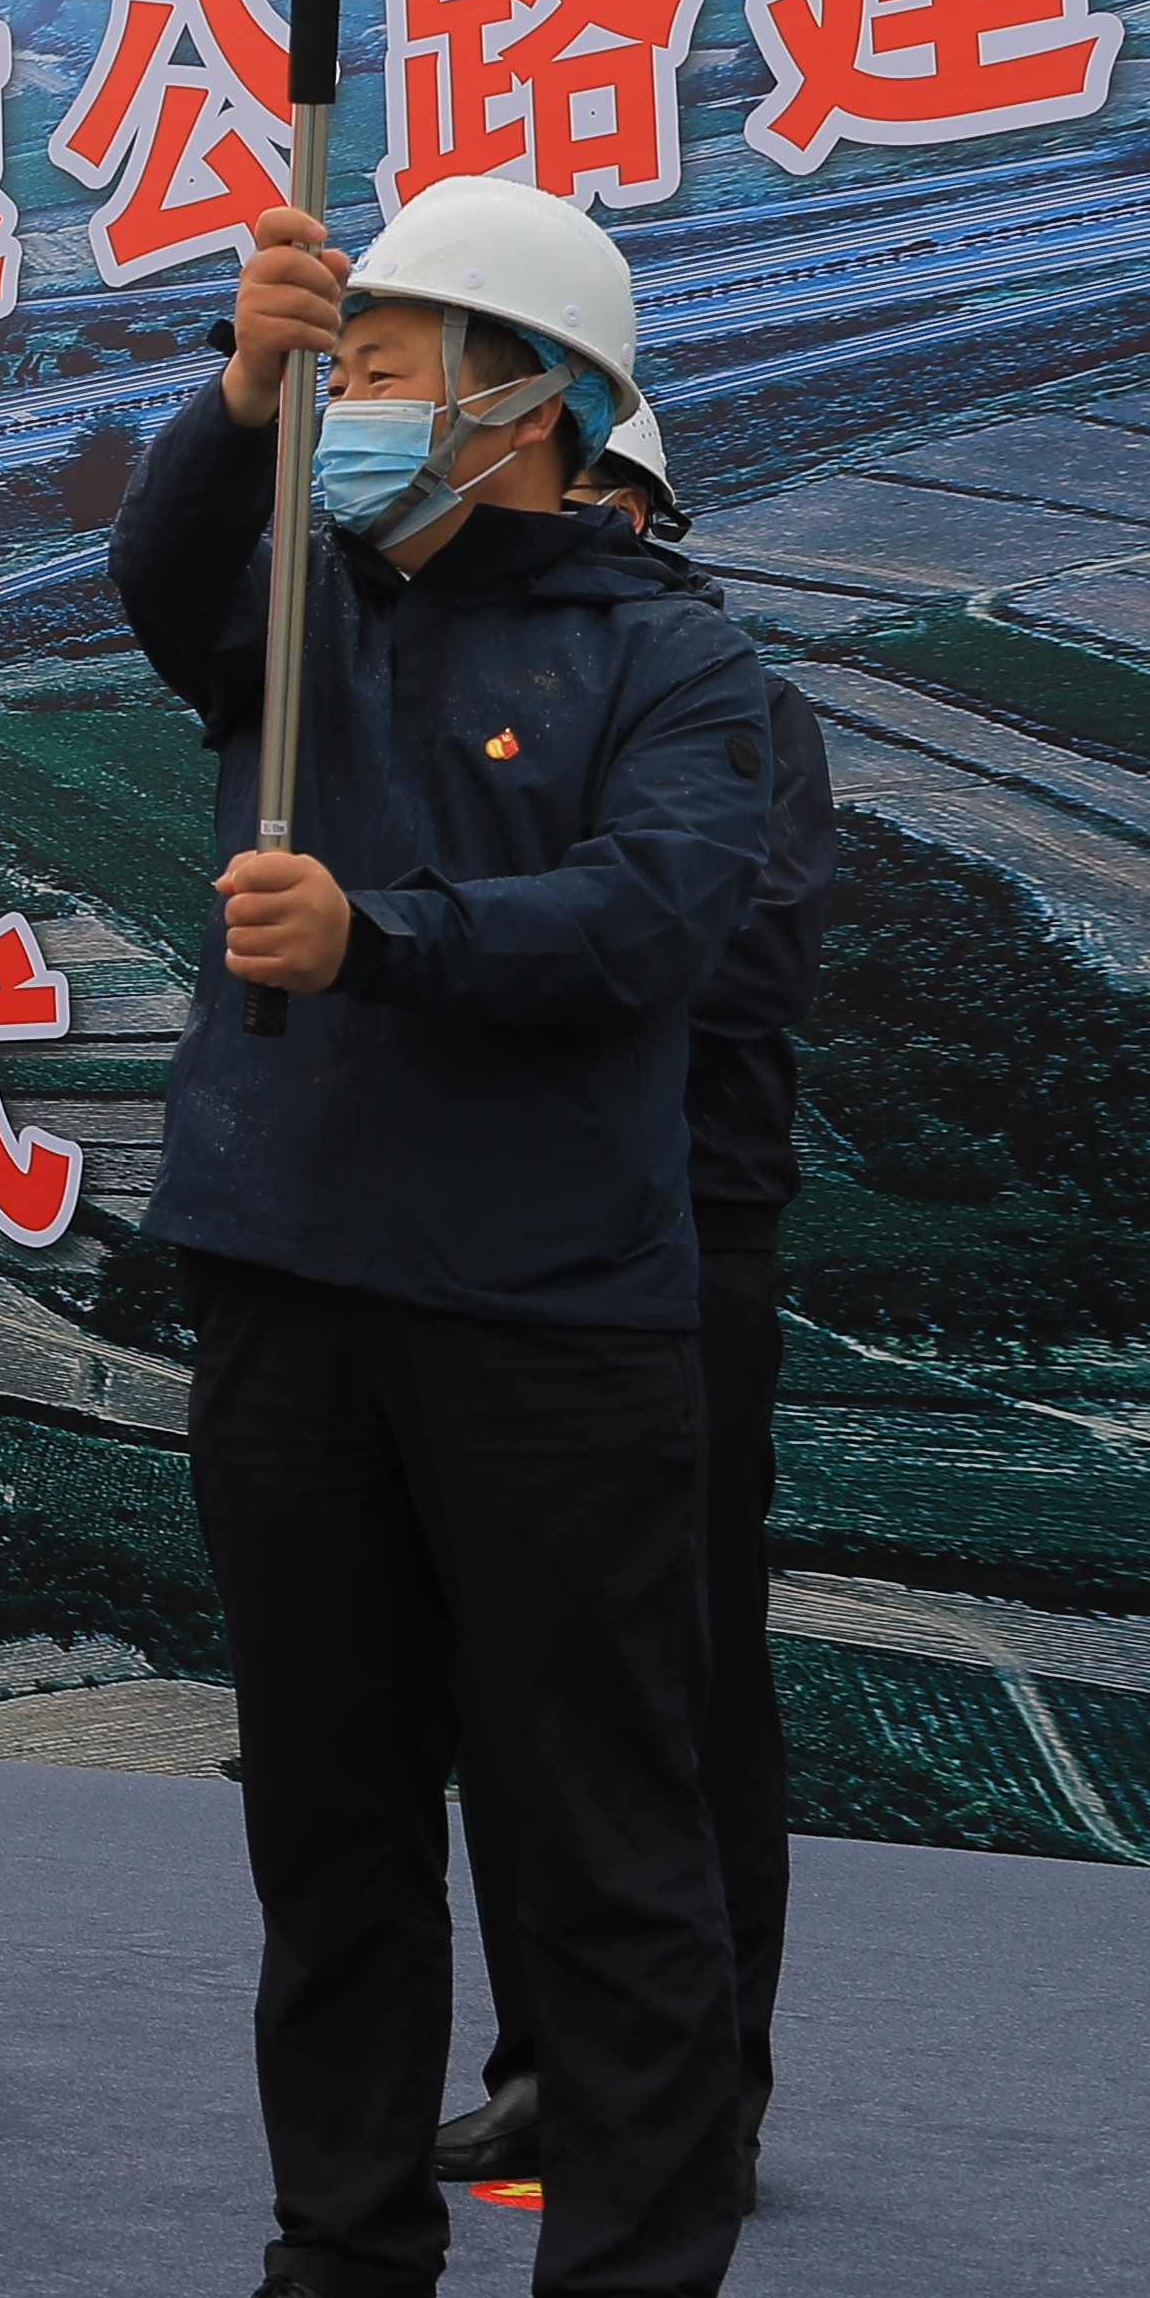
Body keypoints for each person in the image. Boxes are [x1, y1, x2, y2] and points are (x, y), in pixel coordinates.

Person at [106, 174, 766, 2298]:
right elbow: (162, 578)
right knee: (330, 1818)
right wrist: (237, 383)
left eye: (387, 366)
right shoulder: (304, 622)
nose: (358, 405)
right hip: (290, 1285)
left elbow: (651, 916)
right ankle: (348, 2269)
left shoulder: (675, 661)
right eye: (348, 361)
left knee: (597, 1830)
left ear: (533, 404)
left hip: (547, 1322)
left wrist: (376, 938)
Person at [437, 401, 833, 2207]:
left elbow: (730, 955)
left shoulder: (735, 702)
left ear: (639, 506)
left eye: (586, 489)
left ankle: (703, 2091)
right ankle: (544, 2063)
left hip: (683, 1237)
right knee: (508, 1678)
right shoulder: (473, 697)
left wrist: (519, 943)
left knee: (675, 1678)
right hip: (507, 1237)